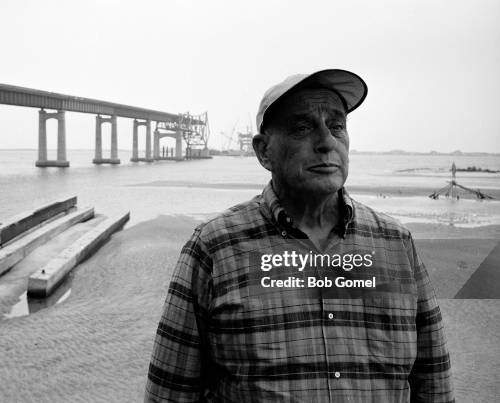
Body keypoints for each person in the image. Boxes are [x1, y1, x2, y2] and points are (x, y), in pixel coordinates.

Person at [145, 69, 454, 402]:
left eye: (337, 126)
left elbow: (433, 382)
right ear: (264, 152)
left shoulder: (396, 244)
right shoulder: (214, 248)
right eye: (303, 127)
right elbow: (170, 393)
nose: (326, 142)